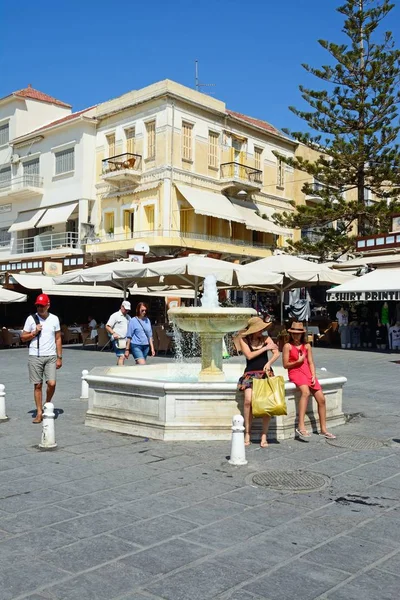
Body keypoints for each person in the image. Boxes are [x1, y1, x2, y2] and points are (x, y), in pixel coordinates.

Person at [282, 321, 336, 440]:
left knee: (321, 399)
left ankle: (323, 429)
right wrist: (298, 362)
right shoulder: (287, 346)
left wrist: (313, 375)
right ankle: (300, 426)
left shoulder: (307, 346)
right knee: (305, 392)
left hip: (307, 372)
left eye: (298, 334)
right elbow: (285, 365)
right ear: (291, 334)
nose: (296, 336)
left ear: (302, 334)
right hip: (295, 372)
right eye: (294, 334)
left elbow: (311, 362)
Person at [237, 316, 280, 448]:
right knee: (248, 400)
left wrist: (269, 362)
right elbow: (249, 355)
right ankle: (247, 433)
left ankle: (264, 435)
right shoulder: (243, 339)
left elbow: (276, 352)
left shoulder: (266, 338)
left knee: (266, 404)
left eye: (262, 329)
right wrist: (265, 349)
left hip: (265, 373)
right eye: (259, 329)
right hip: (250, 373)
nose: (261, 331)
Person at [20, 293, 62, 424]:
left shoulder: (54, 319)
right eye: (38, 306)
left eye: (42, 306)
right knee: (37, 385)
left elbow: (58, 338)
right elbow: (23, 337)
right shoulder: (31, 319)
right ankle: (39, 412)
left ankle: (47, 404)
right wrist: (33, 333)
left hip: (50, 356)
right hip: (35, 355)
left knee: (52, 383)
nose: (40, 308)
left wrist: (59, 357)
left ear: (48, 305)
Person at [106, 300, 132, 366]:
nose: (127, 311)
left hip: (125, 339)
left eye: (128, 310)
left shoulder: (128, 317)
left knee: (121, 356)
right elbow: (107, 326)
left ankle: (117, 369)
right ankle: (121, 373)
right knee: (122, 356)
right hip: (117, 339)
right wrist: (113, 333)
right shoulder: (115, 315)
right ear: (121, 307)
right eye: (126, 309)